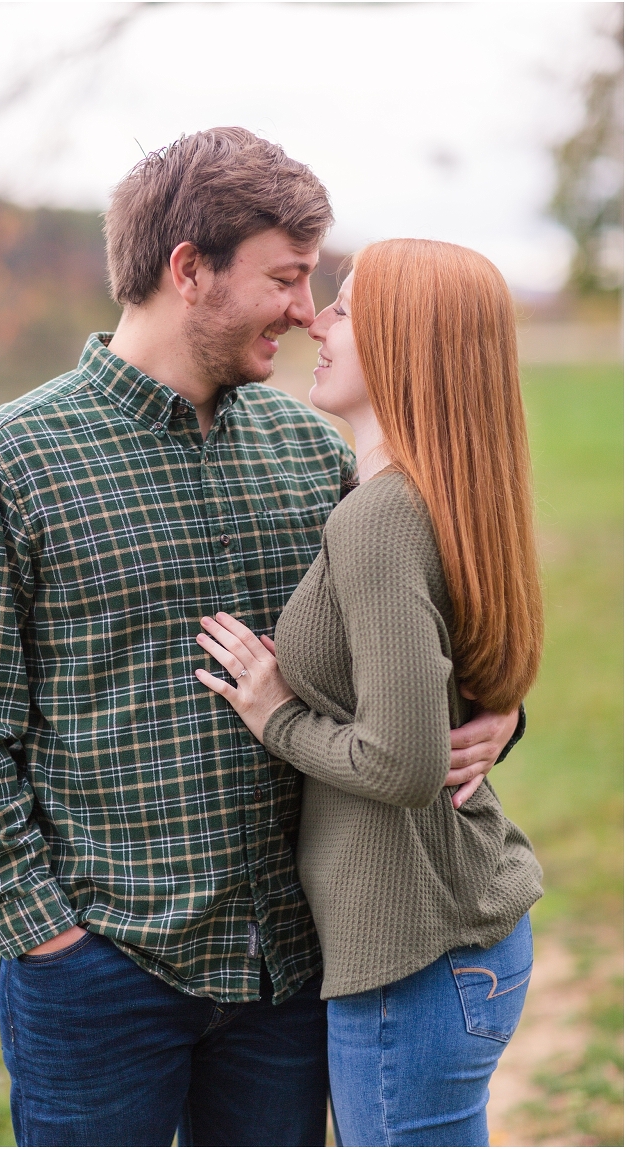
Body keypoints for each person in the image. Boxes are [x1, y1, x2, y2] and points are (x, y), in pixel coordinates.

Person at [0, 131, 522, 1149]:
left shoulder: (311, 451)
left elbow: (413, 652)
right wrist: (47, 935)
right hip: (102, 975)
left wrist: (499, 715)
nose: (304, 308)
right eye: (285, 277)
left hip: (290, 971)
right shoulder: (8, 462)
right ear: (188, 269)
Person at [196, 238, 543, 1148]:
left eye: (344, 307)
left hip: (412, 958)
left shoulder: (378, 518)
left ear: (406, 343)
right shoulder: (435, 493)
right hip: (452, 936)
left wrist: (276, 713)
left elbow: (402, 758)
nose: (315, 318)